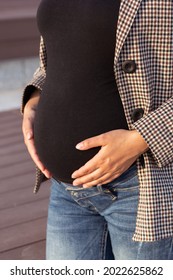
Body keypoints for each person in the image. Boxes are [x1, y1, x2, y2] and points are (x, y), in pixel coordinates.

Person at [21, 0, 173, 260]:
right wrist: (35, 98)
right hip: (66, 191)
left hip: (140, 188)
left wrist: (141, 138)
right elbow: (62, 54)